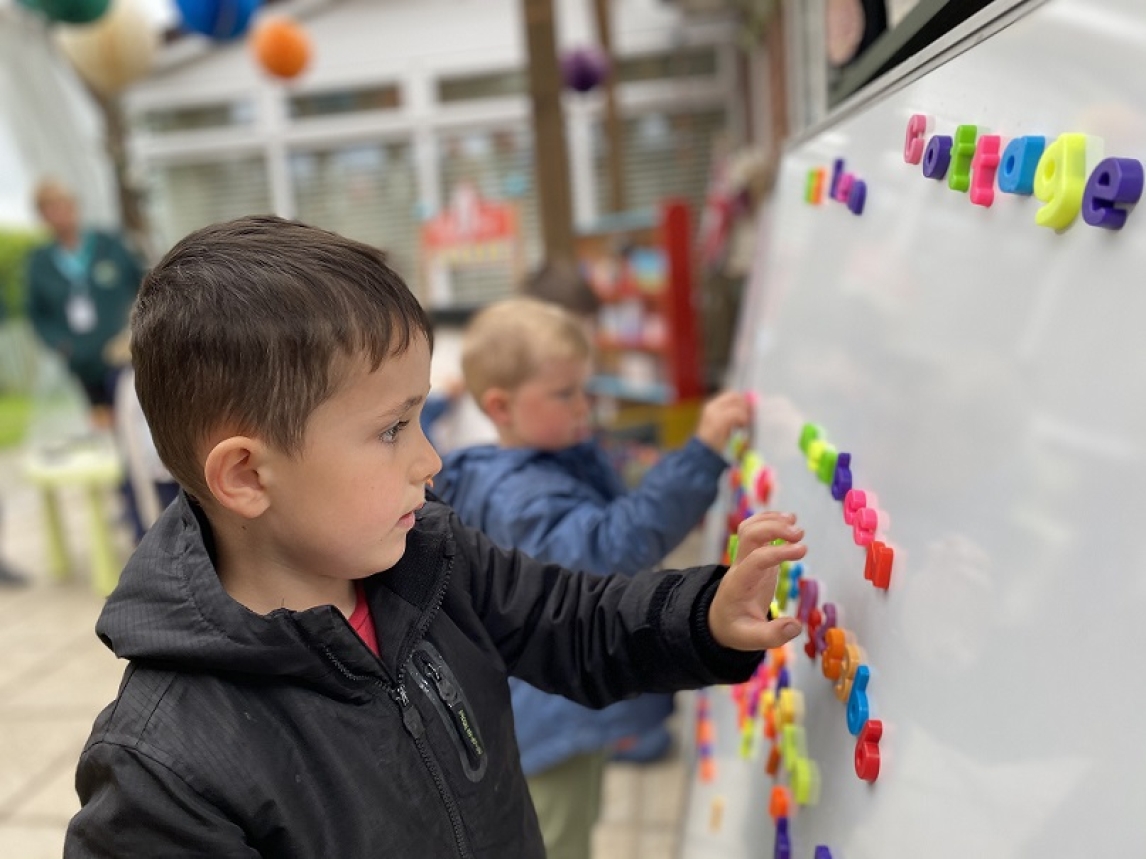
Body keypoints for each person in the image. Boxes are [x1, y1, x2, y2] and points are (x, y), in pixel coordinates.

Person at [63, 216, 805, 859]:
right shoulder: (163, 773)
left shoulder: (432, 557)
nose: (432, 459)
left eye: (419, 418)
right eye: (391, 429)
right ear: (248, 476)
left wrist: (704, 614)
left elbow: (573, 620)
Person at [435, 297, 750, 859]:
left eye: (585, 389)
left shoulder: (527, 460)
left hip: (549, 714)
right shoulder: (521, 496)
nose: (585, 407)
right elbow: (608, 549)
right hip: (544, 722)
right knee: (558, 839)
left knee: (574, 823)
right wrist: (699, 455)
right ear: (501, 407)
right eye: (565, 394)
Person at [25, 179, 143, 428]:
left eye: (62, 205)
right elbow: (37, 313)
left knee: (132, 414)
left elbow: (143, 285)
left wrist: (133, 330)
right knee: (102, 421)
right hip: (81, 358)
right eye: (50, 209)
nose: (59, 214)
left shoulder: (109, 245)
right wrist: (61, 344)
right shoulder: (40, 262)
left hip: (121, 352)